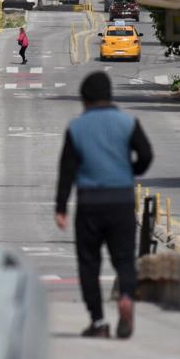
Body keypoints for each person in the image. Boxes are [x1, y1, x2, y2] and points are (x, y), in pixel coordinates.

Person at [55, 72, 152, 339]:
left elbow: (67, 170)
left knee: (89, 263)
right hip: (121, 200)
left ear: (84, 99)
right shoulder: (128, 122)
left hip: (90, 203)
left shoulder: (76, 128)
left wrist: (61, 207)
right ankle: (127, 298)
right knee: (124, 259)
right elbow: (146, 155)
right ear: (110, 95)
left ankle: (98, 322)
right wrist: (130, 170)